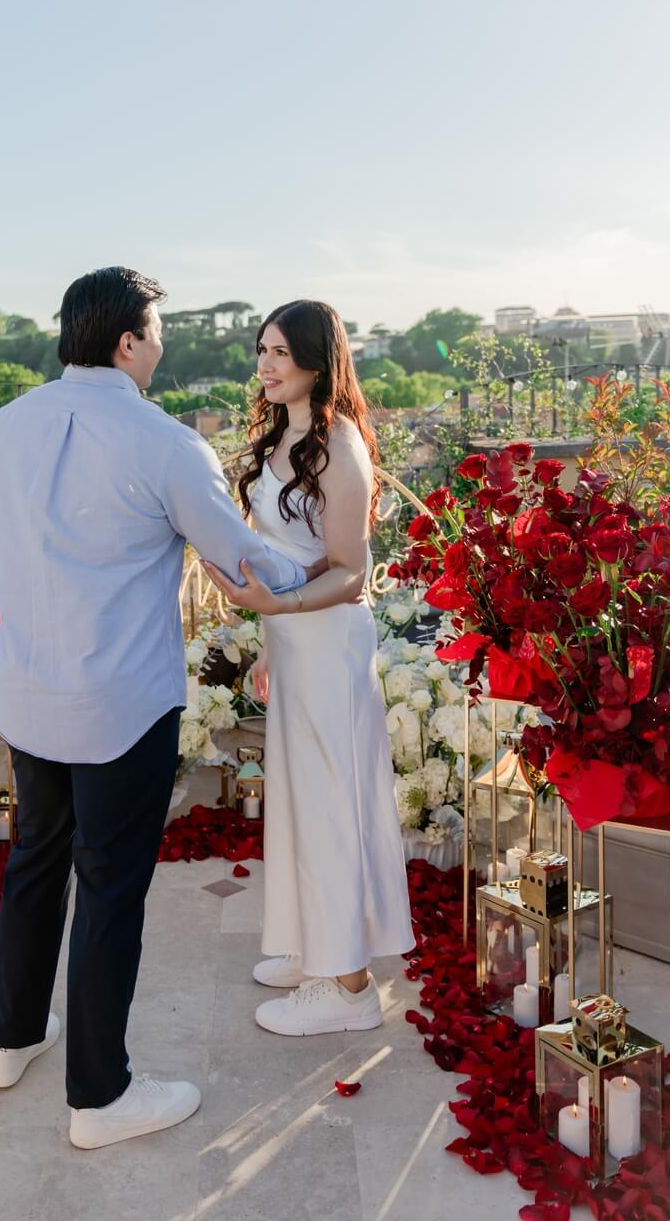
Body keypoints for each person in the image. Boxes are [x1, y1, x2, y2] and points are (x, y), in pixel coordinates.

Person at [0, 267, 318, 1150]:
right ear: (127, 342)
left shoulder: (2, 431)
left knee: (35, 862)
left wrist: (51, 588)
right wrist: (324, 576)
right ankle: (99, 1095)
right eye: (156, 331)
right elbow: (238, 559)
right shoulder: (162, 442)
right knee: (111, 886)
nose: (161, 345)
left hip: (31, 690)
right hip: (120, 698)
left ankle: (11, 1041)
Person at [204, 300, 414, 1037]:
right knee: (297, 798)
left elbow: (350, 573)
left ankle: (348, 985)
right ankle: (315, 949)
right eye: (260, 350)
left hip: (328, 641)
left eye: (280, 353)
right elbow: (288, 563)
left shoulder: (338, 444)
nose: (264, 364)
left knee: (328, 801)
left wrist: (281, 615)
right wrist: (268, 637)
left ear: (317, 363)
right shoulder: (281, 438)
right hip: (293, 642)